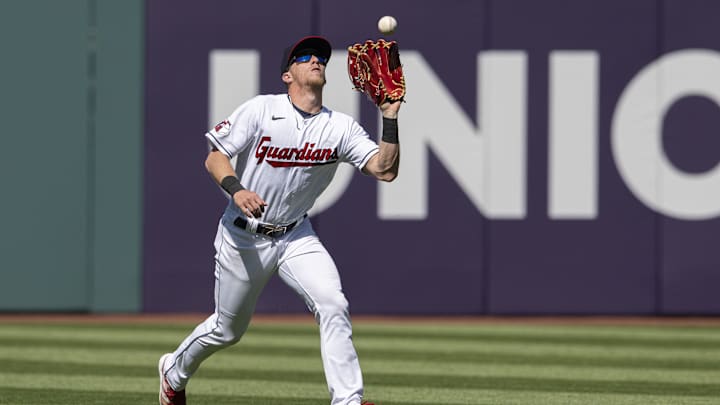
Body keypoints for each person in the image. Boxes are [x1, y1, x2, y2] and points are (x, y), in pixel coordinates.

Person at [158, 35, 401, 405]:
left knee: (332, 303)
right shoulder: (262, 109)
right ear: (287, 75)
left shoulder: (341, 127)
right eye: (304, 57)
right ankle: (173, 372)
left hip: (296, 236)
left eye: (320, 56)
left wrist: (389, 117)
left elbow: (385, 170)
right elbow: (215, 157)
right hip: (243, 237)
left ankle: (347, 400)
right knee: (227, 330)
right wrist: (237, 190)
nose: (315, 60)